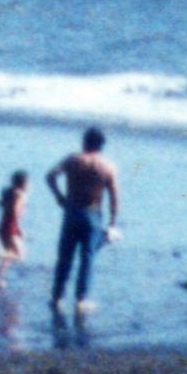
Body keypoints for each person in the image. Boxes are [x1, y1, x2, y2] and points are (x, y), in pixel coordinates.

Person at [47, 128, 120, 316]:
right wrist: (112, 222)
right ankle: (81, 300)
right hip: (92, 212)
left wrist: (59, 197)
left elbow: (50, 176)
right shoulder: (107, 166)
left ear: (84, 142)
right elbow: (114, 196)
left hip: (71, 210)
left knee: (65, 256)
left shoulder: (73, 160)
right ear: (101, 146)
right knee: (87, 258)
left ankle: (57, 297)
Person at [0, 171, 29, 286]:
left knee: (9, 256)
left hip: (2, 227)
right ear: (24, 183)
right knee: (20, 255)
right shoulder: (21, 195)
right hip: (11, 227)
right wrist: (19, 228)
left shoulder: (8, 192)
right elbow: (15, 211)